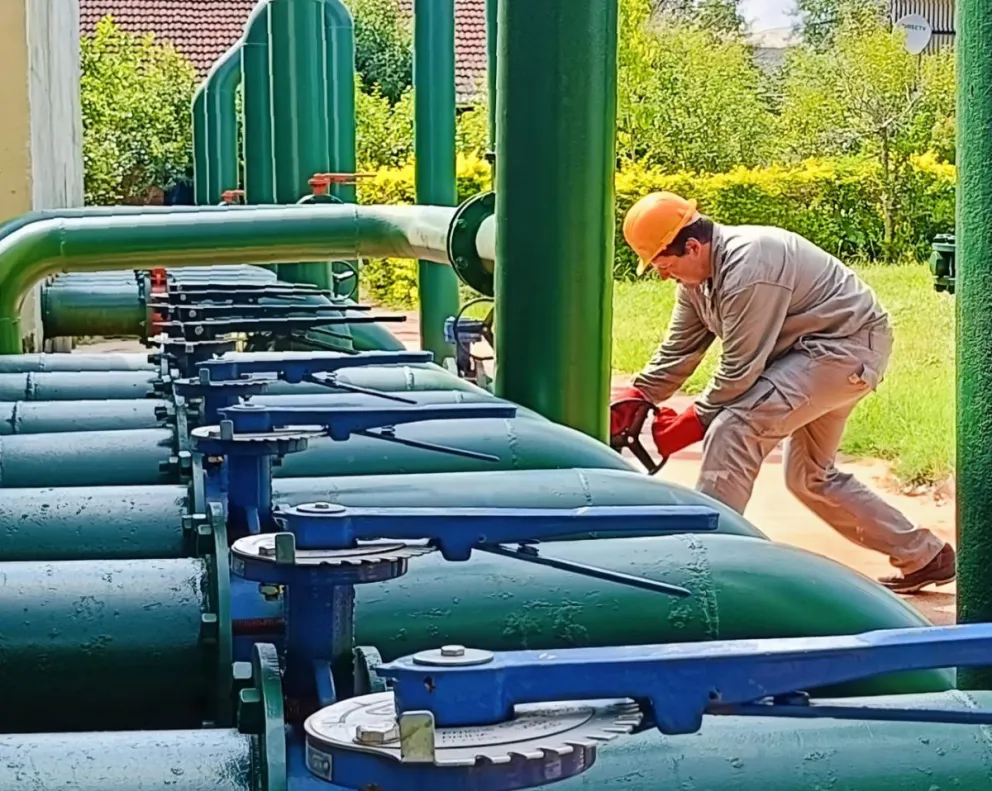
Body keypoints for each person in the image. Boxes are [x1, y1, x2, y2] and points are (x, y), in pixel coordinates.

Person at [611, 191, 954, 594]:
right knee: (808, 476)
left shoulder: (750, 264)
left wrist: (694, 420)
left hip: (844, 348)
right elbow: (679, 350)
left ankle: (706, 567)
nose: (664, 276)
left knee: (735, 428)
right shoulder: (696, 282)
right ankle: (925, 556)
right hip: (812, 355)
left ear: (692, 246)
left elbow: (740, 369)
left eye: (665, 265)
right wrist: (639, 396)